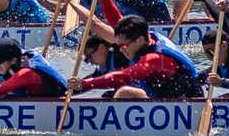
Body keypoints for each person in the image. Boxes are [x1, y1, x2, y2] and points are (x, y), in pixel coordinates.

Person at [66, 14, 201, 100]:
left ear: (140, 40)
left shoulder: (154, 59)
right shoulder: (146, 37)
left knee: (124, 92)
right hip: (163, 97)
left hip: (186, 103)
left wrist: (85, 84)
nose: (120, 50)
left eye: (123, 45)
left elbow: (124, 76)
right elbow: (116, 19)